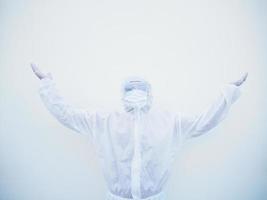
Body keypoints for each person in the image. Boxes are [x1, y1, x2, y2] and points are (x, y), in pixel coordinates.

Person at [31, 63, 248, 200]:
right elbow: (68, 115)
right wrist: (47, 86)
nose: (136, 95)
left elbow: (204, 121)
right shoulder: (103, 120)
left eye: (140, 90)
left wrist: (228, 93)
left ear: (150, 93)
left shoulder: (170, 121)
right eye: (131, 90)